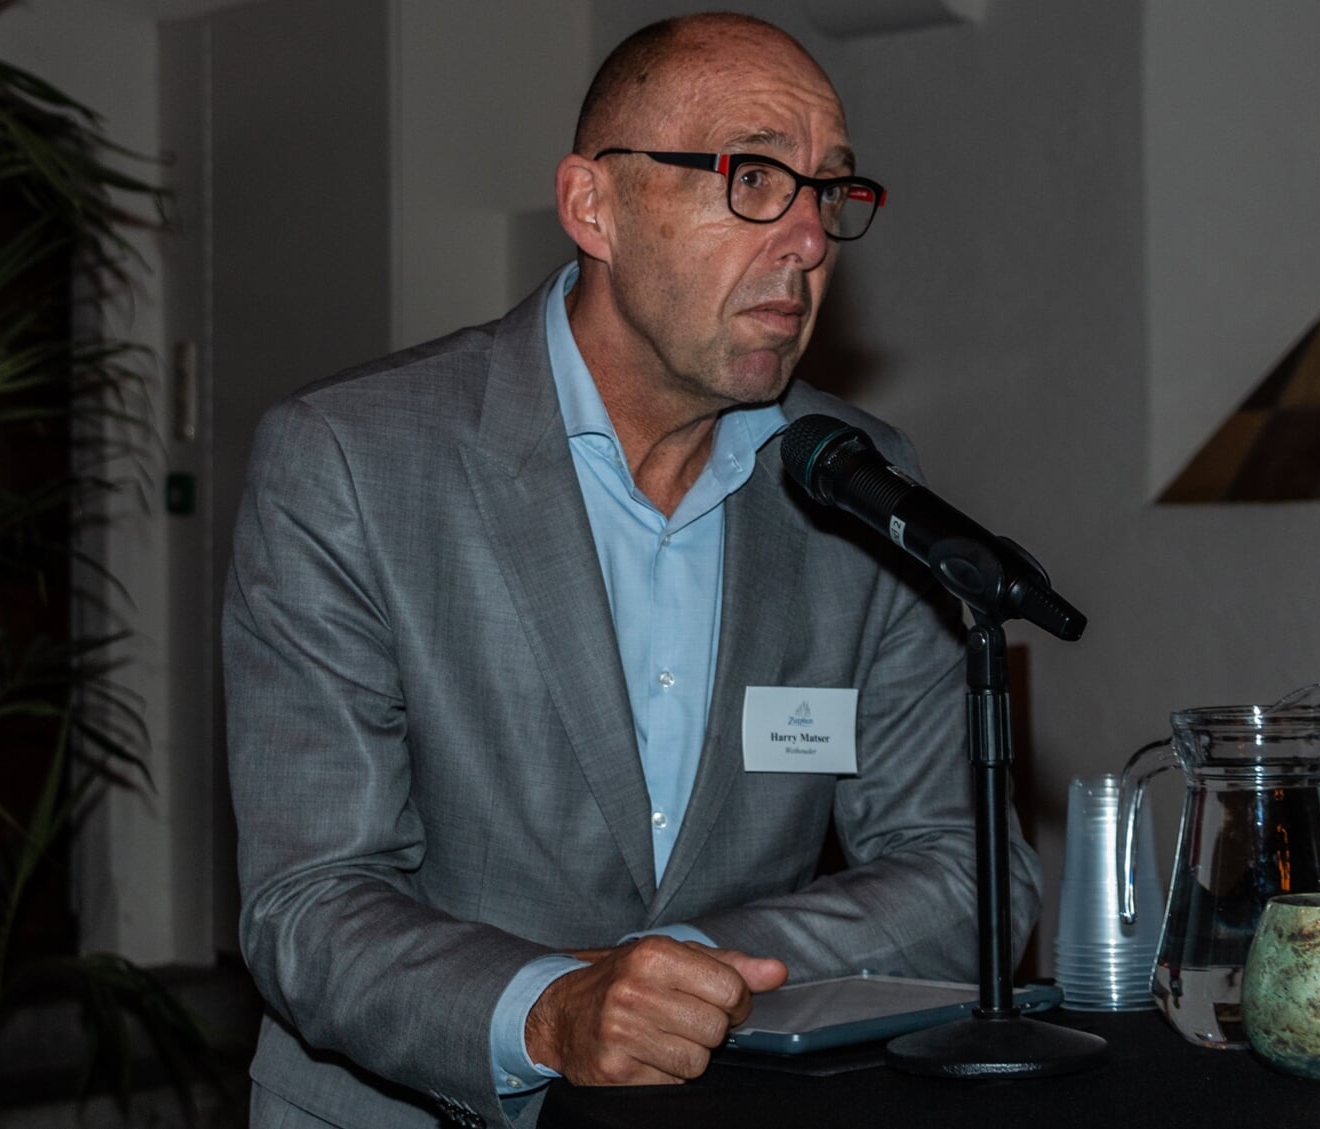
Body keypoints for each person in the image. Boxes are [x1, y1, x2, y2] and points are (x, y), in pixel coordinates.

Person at [222, 13, 1041, 1129]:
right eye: (752, 177)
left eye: (829, 192)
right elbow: (309, 902)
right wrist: (551, 1009)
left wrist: (688, 975)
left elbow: (961, 873)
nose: (805, 238)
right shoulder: (352, 462)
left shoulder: (857, 481)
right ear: (590, 206)